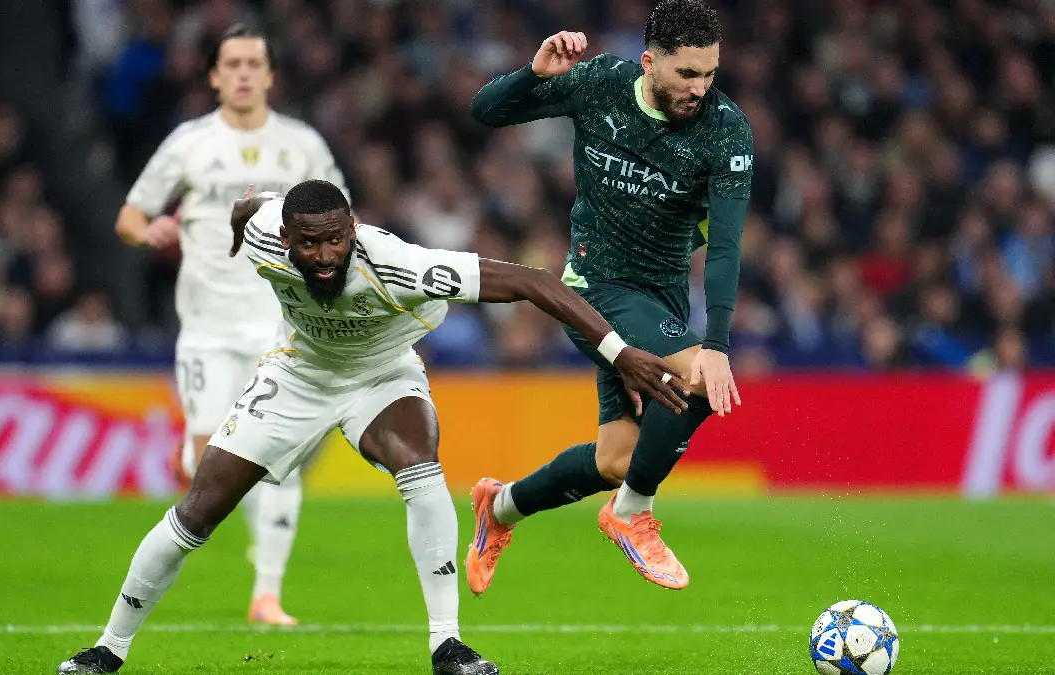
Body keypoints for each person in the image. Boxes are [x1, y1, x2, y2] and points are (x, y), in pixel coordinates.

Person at [57, 179, 688, 675]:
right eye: (309, 244)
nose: (325, 256)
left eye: (336, 240)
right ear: (286, 236)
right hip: (297, 373)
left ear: (353, 229)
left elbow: (533, 282)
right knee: (198, 509)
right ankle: (106, 651)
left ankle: (449, 648)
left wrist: (618, 353)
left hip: (383, 374)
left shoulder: (401, 265)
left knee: (420, 465)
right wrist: (231, 236)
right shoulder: (262, 230)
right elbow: (246, 207)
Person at [464, 0, 752, 593]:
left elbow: (723, 249)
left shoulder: (726, 131)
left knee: (618, 462)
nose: (699, 88)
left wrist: (717, 338)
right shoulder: (601, 85)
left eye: (710, 74)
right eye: (686, 74)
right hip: (593, 289)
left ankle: (499, 508)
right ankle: (630, 516)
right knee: (699, 380)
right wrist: (534, 74)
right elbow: (484, 111)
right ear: (649, 62)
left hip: (662, 298)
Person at [116, 23, 349, 625]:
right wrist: (151, 231)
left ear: (270, 75)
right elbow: (130, 216)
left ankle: (266, 594)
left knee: (281, 457)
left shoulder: (301, 146)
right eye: (232, 64)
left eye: (254, 63)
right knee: (205, 470)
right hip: (208, 328)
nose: (243, 73)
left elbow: (343, 219)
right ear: (215, 76)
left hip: (283, 328)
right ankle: (188, 451)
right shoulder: (188, 143)